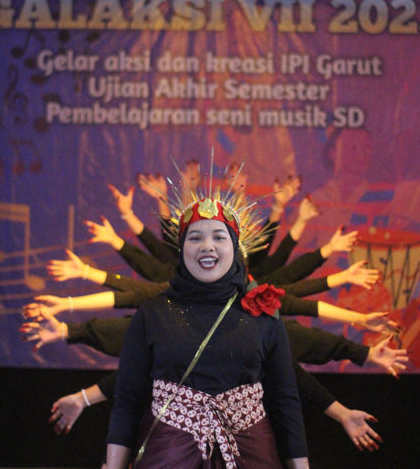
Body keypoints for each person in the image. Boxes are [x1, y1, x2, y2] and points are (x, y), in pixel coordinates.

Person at [106, 196, 310, 469]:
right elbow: (128, 400)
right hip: (169, 454)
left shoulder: (263, 316)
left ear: (234, 246)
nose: (207, 246)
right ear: (181, 248)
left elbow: (285, 402)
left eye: (219, 237)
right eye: (195, 238)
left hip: (252, 454)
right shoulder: (152, 313)